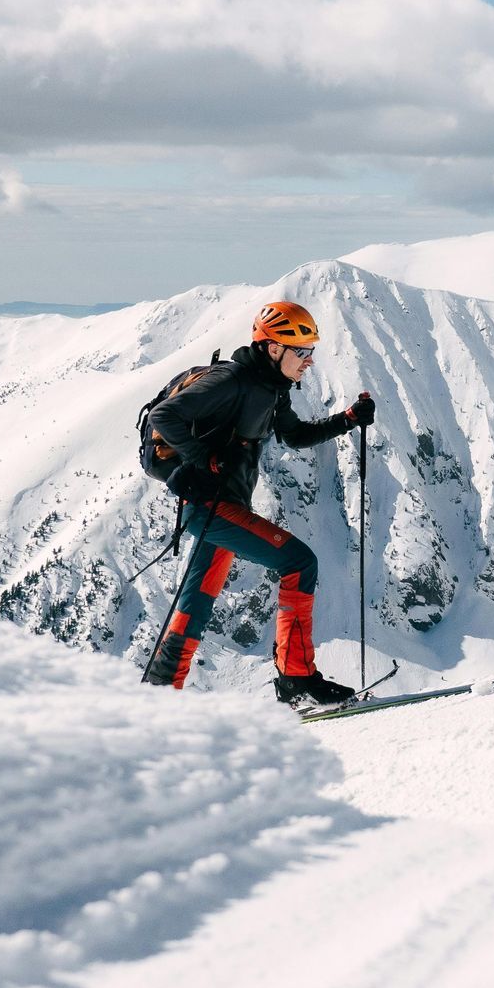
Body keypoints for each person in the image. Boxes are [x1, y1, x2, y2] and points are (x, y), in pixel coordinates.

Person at [141, 300, 376, 701]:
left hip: (221, 509)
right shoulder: (231, 381)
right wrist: (205, 459)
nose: (309, 362)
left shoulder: (271, 389)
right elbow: (165, 416)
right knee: (299, 563)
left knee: (195, 603)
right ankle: (296, 678)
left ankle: (160, 694)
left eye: (311, 352)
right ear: (272, 348)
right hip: (211, 510)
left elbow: (296, 435)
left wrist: (349, 419)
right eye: (302, 352)